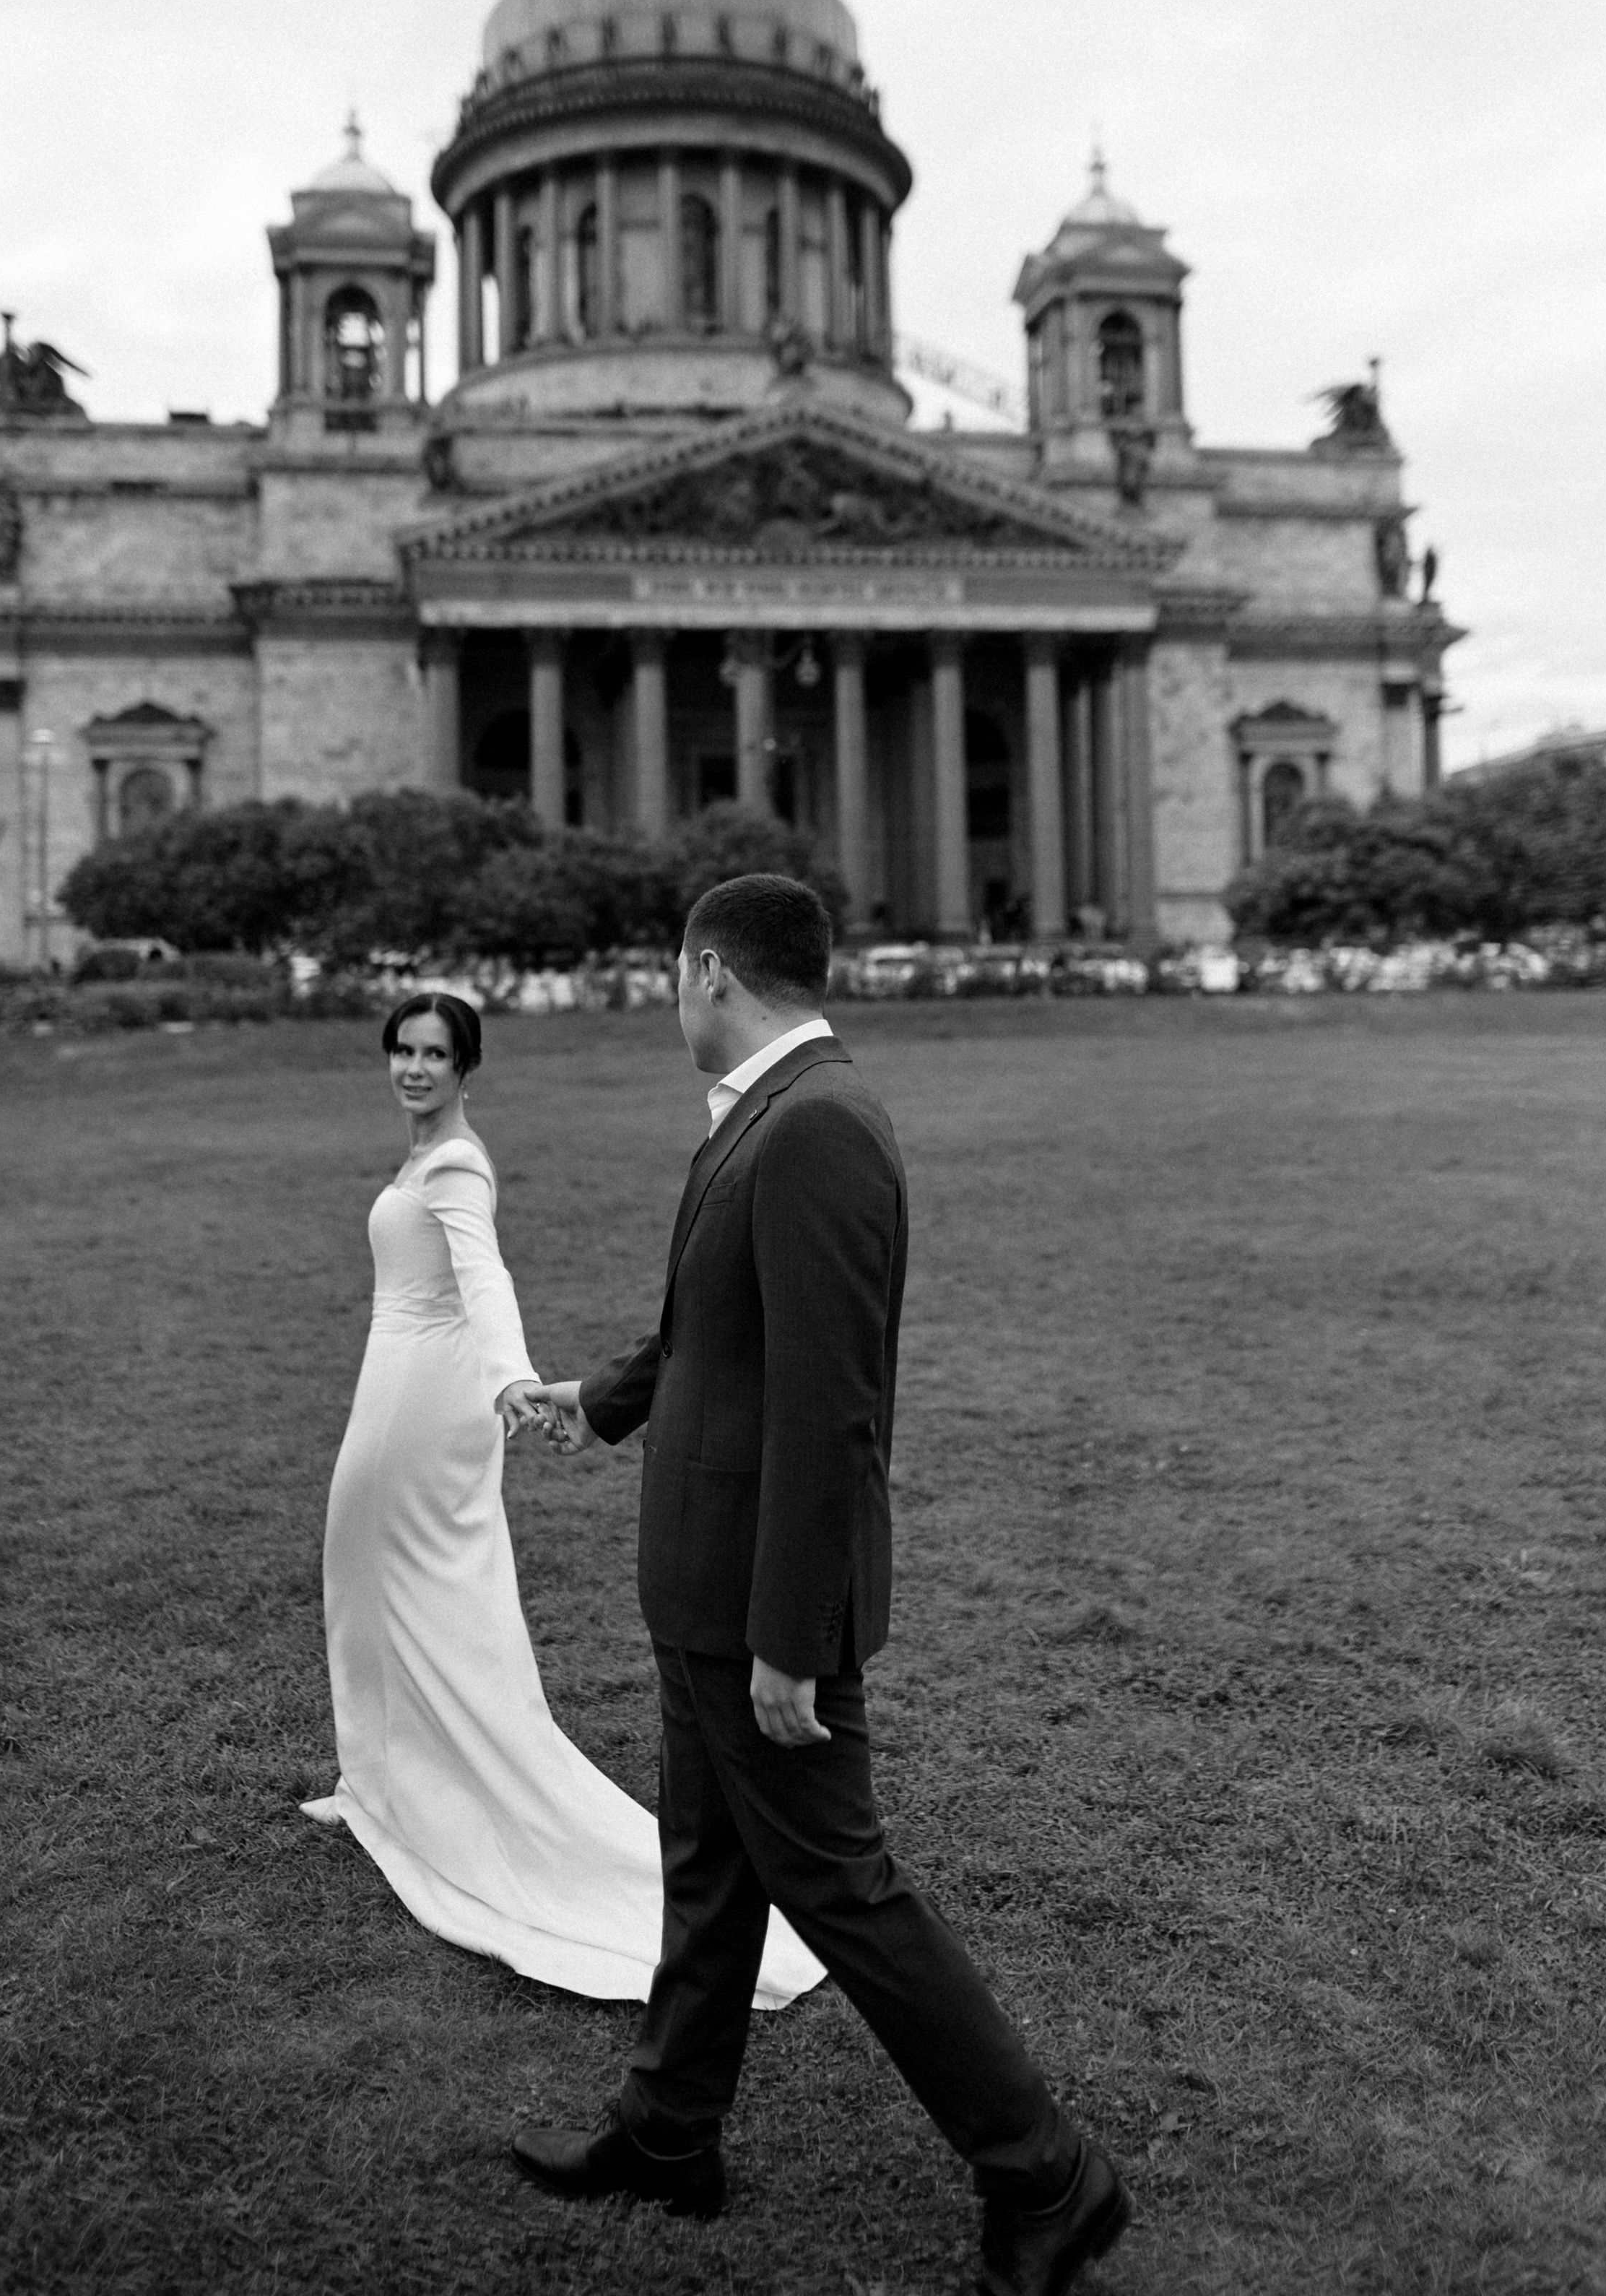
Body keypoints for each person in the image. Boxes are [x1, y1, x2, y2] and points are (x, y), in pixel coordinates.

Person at [513, 879, 1129, 2296]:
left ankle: (1046, 2174)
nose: (667, 999)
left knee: (842, 1892)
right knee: (708, 1873)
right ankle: (669, 2135)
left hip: (755, 1611)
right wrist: (595, 1402)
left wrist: (788, 1640)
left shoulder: (817, 1128)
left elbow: (825, 1405)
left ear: (710, 969)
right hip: (701, 1589)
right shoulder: (765, 1114)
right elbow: (712, 1337)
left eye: (670, 975)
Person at [301, 988, 822, 2011]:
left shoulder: (456, 1163)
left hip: (427, 1402)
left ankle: (436, 1796)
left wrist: (510, 1377)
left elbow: (485, 1277)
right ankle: (375, 1787)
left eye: (434, 1055)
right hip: (397, 1380)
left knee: (411, 1599)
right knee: (362, 1594)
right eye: (401, 1050)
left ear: (466, 1069)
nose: (413, 1068)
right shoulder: (424, 1153)